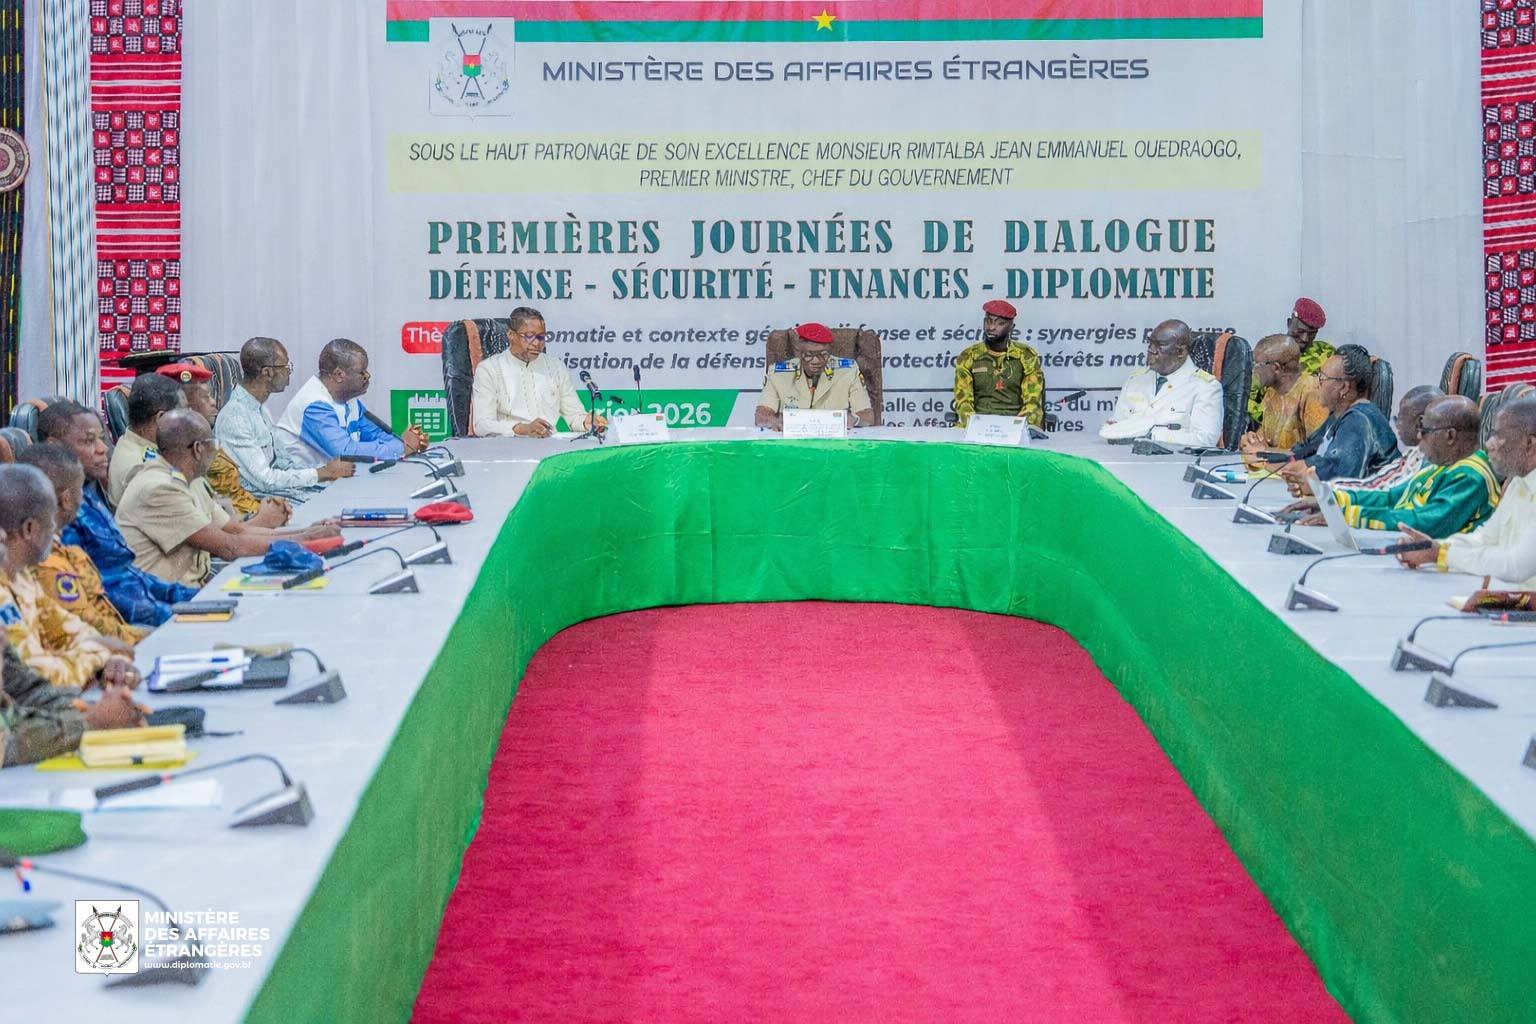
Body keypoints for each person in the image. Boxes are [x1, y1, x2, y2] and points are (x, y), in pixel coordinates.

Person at [117, 410, 342, 586]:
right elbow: (229, 547)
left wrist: (305, 532)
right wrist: (306, 540)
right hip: (168, 598)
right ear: (198, 449)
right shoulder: (160, 488)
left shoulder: (189, 479)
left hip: (193, 587)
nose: (217, 452)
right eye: (214, 444)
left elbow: (235, 530)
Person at [38, 400, 198, 626]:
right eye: (88, 441)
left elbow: (129, 575)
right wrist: (173, 617)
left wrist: (194, 598)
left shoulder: (88, 497)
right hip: (123, 626)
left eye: (101, 438)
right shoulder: (61, 515)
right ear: (54, 447)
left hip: (146, 610)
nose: (102, 448)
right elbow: (97, 596)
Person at [0, 465, 140, 691]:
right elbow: (34, 675)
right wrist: (99, 658)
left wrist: (110, 659)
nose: (57, 531)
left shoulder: (22, 576)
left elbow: (70, 631)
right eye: (50, 521)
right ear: (29, 528)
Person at [1285, 396, 1498, 537]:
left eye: (1425, 431)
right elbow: (1391, 497)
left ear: (1450, 436)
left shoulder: (1471, 475)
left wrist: (1349, 516)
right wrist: (1331, 500)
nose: (1419, 437)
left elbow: (1424, 523)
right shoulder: (1443, 465)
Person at [1398, 395, 1536, 585]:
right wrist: (1432, 548)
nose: (1489, 444)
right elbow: (1484, 538)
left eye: (1499, 435)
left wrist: (1442, 554)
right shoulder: (1518, 483)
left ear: (1529, 445)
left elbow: (1514, 567)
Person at [16, 444, 145, 643]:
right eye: (80, 489)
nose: (83, 496)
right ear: (67, 499)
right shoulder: (48, 565)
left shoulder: (67, 551)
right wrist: (144, 638)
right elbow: (85, 628)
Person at [216, 336, 355, 501]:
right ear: (267, 372)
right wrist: (321, 473)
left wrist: (326, 475)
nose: (289, 372)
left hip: (281, 493)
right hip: (258, 503)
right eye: (286, 367)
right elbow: (265, 480)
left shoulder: (259, 409)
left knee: (344, 496)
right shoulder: (235, 418)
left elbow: (283, 463)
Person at [157, 362, 290, 527]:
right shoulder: (184, 454)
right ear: (184, 405)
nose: (213, 402)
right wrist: (264, 518)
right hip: (240, 525)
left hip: (246, 517)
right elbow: (216, 524)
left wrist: (267, 508)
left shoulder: (206, 439)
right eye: (205, 397)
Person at [276, 338, 428, 465]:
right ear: (339, 374)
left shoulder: (348, 400)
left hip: (331, 483)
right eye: (362, 372)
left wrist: (405, 444)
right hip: (302, 487)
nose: (367, 376)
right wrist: (402, 448)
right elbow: (345, 452)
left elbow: (376, 434)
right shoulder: (314, 405)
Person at [470, 307, 606, 438]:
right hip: (508, 446)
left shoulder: (556, 367)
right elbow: (482, 425)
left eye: (541, 337)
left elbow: (574, 415)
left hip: (550, 445)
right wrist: (522, 429)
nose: (537, 343)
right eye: (529, 336)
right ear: (511, 335)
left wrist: (587, 422)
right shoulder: (489, 369)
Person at [1278, 344, 1398, 486]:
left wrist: (1293, 469)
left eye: (1322, 378)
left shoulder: (1359, 420)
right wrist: (1262, 455)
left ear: (1344, 388)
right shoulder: (1337, 416)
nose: (1317, 384)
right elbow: (1305, 450)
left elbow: (1335, 476)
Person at [1098, 319, 1224, 447]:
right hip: (1126, 456)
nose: (1151, 350)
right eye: (1150, 343)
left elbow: (1205, 440)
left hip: (1174, 458)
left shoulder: (1205, 387)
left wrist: (1152, 436)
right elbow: (1112, 428)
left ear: (1180, 352)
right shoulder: (1135, 380)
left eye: (1159, 345)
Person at [754, 322, 876, 430]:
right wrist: (773, 421)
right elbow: (761, 416)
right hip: (793, 441)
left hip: (834, 440)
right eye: (808, 355)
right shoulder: (778, 374)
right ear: (799, 352)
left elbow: (867, 416)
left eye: (823, 355)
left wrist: (854, 419)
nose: (816, 361)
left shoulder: (848, 371)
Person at [952, 299, 1045, 428]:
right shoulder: (969, 356)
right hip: (977, 426)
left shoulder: (1026, 356)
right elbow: (963, 400)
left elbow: (1032, 402)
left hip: (1015, 426)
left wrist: (1016, 428)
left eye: (1000, 323)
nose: (991, 327)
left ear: (1011, 327)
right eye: (988, 321)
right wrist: (975, 426)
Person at [1239, 335, 1329, 461]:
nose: (1253, 370)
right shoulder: (1272, 392)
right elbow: (1265, 440)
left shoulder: (1312, 393)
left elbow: (1318, 452)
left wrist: (1265, 451)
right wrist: (1252, 440)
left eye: (1256, 364)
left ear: (1276, 368)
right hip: (1272, 470)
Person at [1249, 297, 1335, 422]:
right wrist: (1268, 418)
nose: (1305, 338)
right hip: (1269, 421)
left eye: (1312, 334)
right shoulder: (1270, 352)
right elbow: (1247, 396)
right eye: (1300, 331)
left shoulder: (1326, 353)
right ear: (1289, 323)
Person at [106, 372, 183, 506]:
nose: (186, 422)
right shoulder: (141, 467)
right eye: (182, 415)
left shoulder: (133, 441)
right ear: (161, 418)